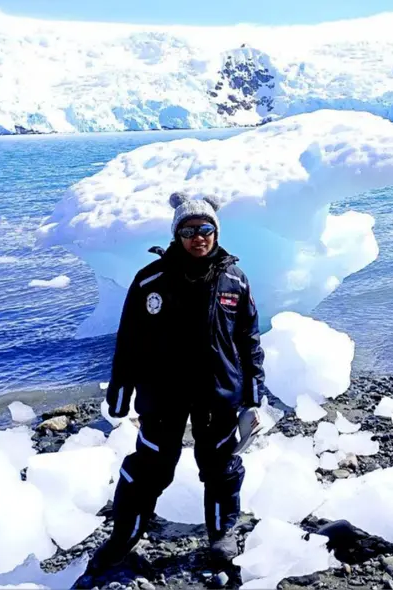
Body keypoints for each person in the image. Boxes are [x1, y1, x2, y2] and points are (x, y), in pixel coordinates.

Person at [85, 192, 268, 575]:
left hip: (217, 392)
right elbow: (129, 341)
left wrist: (253, 395)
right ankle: (122, 539)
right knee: (149, 467)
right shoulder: (150, 280)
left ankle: (221, 535)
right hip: (163, 394)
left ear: (215, 232)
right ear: (176, 235)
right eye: (188, 230)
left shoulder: (235, 280)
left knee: (220, 466)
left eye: (205, 229)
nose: (197, 237)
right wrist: (120, 394)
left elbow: (248, 340)